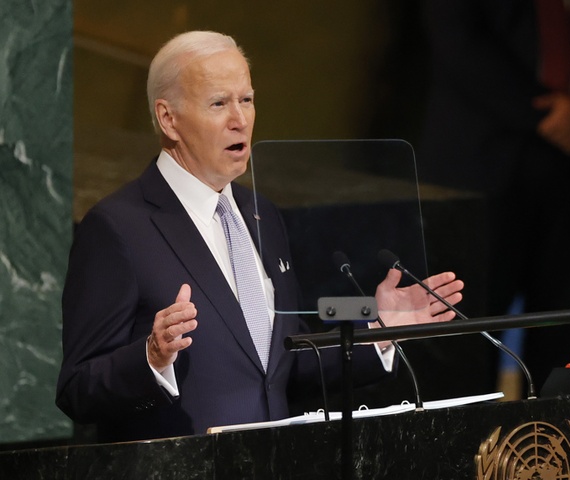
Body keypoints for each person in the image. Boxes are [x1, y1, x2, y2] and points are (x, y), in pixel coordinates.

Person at [55, 31, 464, 443]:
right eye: (219, 103)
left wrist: (378, 329)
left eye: (246, 100)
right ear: (168, 118)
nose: (240, 119)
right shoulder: (117, 227)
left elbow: (283, 361)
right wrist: (151, 358)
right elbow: (77, 389)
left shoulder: (261, 214)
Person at [418, 0, 570, 395]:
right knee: (467, 337)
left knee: (561, 343)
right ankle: (469, 454)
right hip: (478, 166)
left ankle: (558, 453)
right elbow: (459, 38)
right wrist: (550, 114)